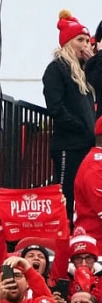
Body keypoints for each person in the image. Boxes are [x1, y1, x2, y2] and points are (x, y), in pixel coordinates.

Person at [42, 12, 98, 212]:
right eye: (80, 40)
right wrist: (81, 127)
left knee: (84, 191)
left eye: (87, 40)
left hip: (86, 143)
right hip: (69, 143)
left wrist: (95, 64)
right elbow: (56, 107)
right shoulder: (57, 69)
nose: (86, 44)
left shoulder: (86, 71)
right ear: (68, 42)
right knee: (67, 192)